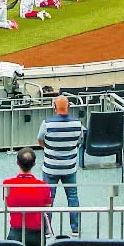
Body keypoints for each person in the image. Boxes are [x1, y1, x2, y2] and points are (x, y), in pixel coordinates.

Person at [37, 95, 83, 235]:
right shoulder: (77, 124)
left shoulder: (47, 124)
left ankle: (46, 229)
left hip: (50, 167)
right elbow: (79, 141)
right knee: (73, 197)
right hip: (70, 168)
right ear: (68, 107)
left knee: (48, 198)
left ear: (54, 107)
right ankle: (75, 228)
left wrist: (49, 148)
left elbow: (40, 140)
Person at [2, 148, 54, 246]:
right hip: (36, 232)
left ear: (17, 163)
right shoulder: (43, 186)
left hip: (16, 230)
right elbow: (47, 206)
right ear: (34, 164)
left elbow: (8, 204)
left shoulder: (7, 184)